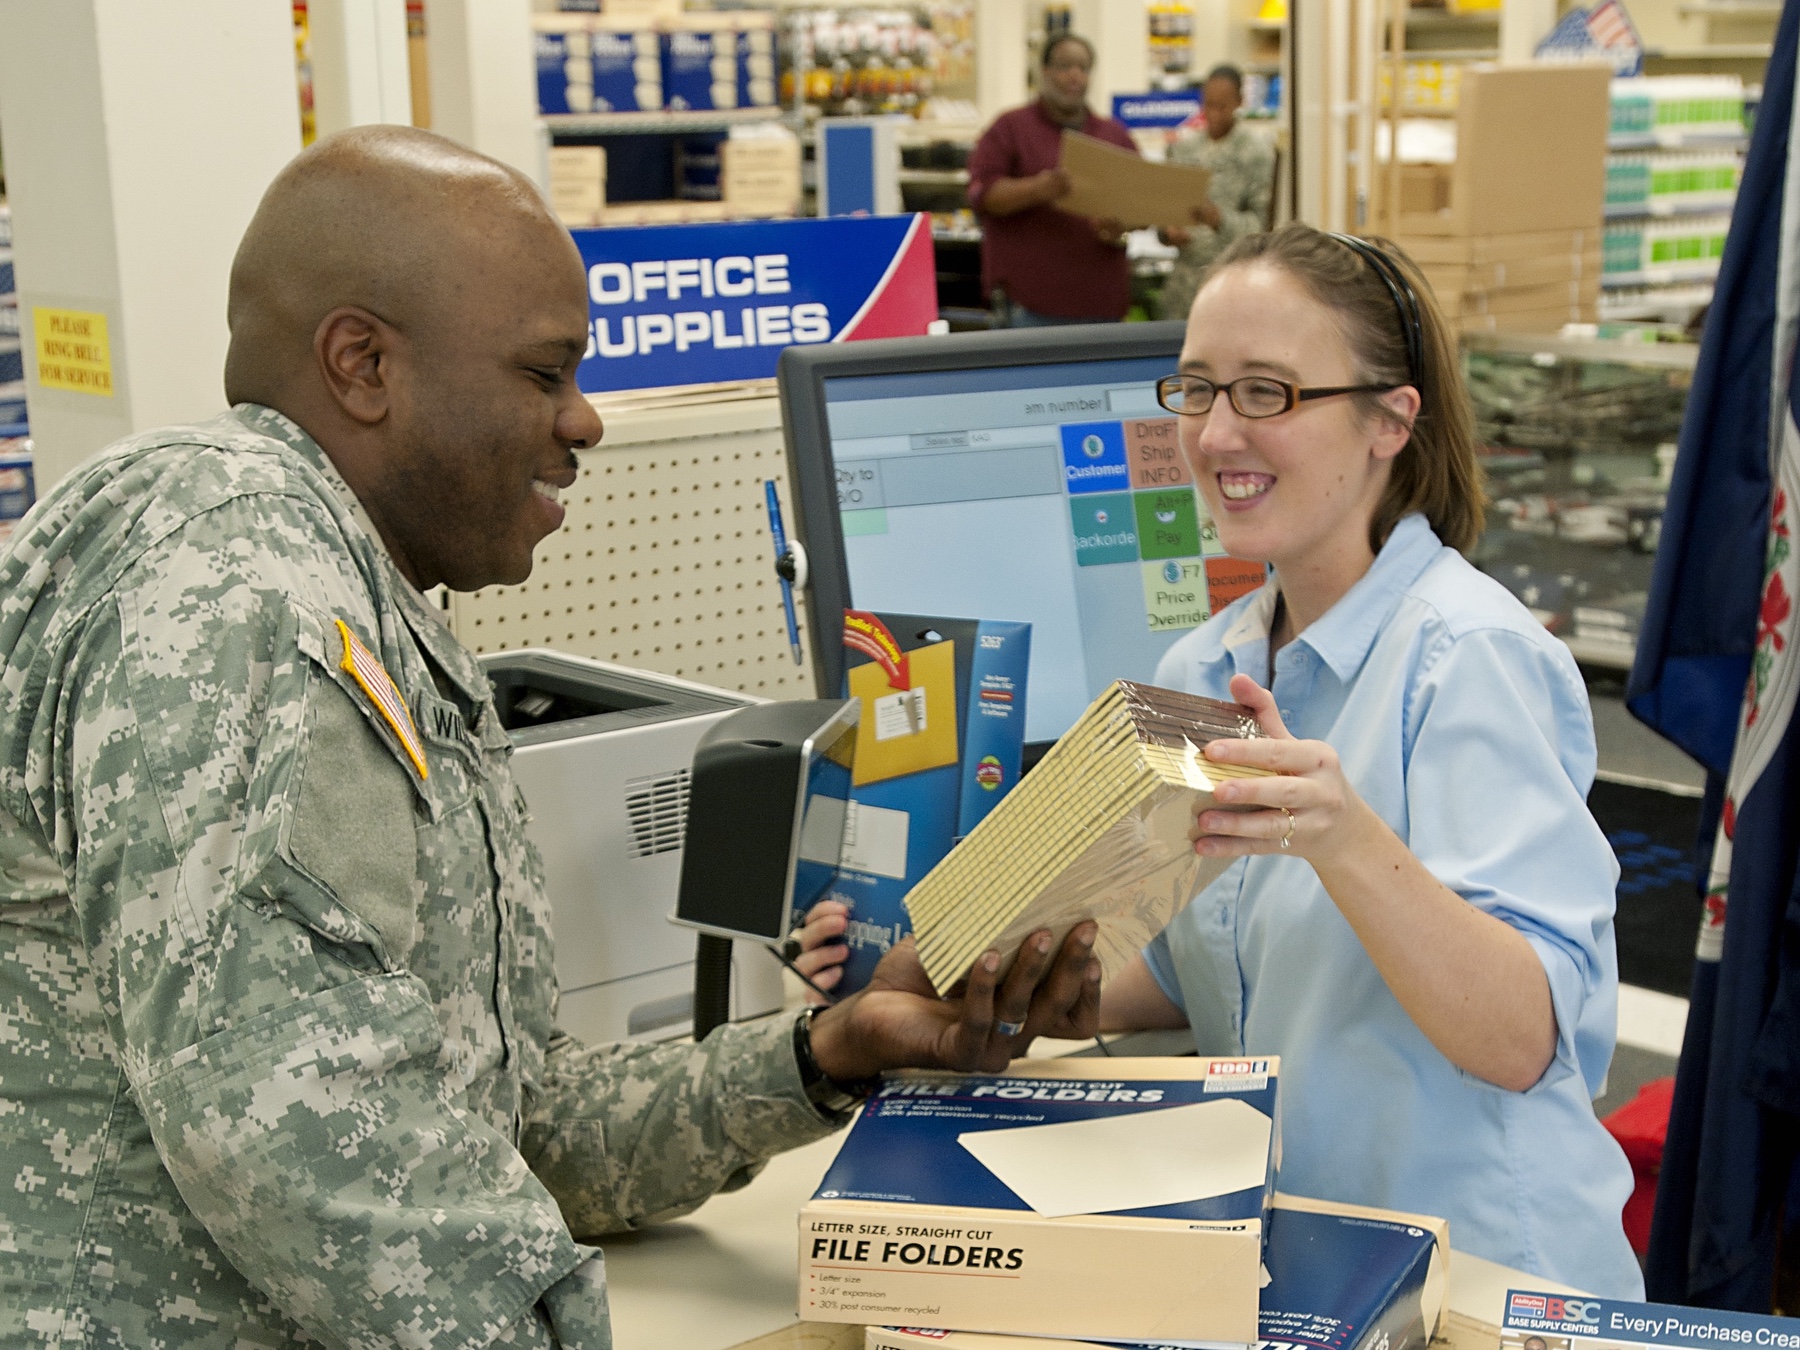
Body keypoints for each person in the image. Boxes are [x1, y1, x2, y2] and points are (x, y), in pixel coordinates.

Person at [0, 126, 1101, 1349]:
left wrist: (823, 1055)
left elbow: (513, 1127)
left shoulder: (366, 603)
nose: (585, 422)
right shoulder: (243, 594)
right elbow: (294, 1133)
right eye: (544, 373)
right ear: (362, 364)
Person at [796, 224, 1643, 1297]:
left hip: (1480, 1279)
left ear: (1391, 418)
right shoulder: (1210, 659)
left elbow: (1523, 1038)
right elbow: (1221, 963)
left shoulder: (1470, 659)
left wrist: (1343, 838)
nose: (1216, 433)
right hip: (1311, 1266)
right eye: (1196, 390)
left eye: (1269, 393)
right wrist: (1031, 978)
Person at [966, 33, 1136, 326]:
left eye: (1083, 68)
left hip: (1102, 308)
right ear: (1044, 72)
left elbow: (1142, 204)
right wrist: (1039, 189)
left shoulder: (1114, 136)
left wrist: (1122, 226)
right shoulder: (1010, 128)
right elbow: (984, 195)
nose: (1075, 76)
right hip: (1030, 308)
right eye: (1065, 66)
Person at [1156, 65, 1276, 322]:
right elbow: (1163, 211)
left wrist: (1218, 220)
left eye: (1222, 106)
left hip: (1233, 284)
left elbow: (1262, 227)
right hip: (1183, 289)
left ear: (1239, 103)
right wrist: (1167, 232)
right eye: (1208, 104)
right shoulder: (1185, 149)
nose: (1213, 113)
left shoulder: (1255, 153)